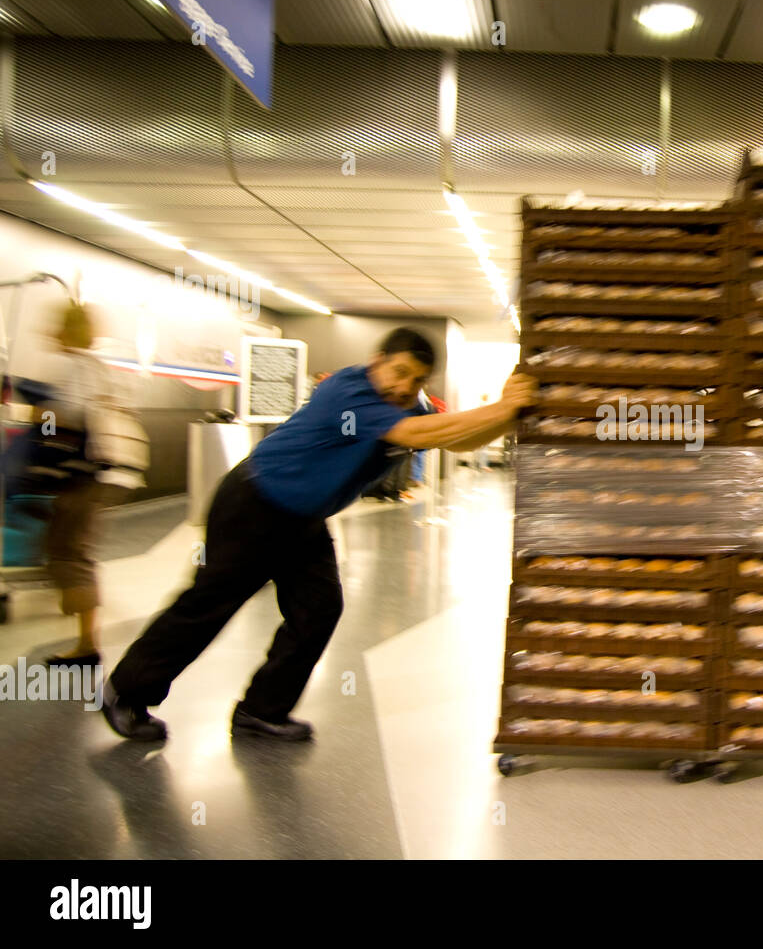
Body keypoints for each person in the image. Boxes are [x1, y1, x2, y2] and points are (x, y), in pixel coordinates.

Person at [101, 327, 537, 742]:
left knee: (318, 611)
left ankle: (261, 711)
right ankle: (126, 691)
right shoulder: (348, 391)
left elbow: (455, 441)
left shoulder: (408, 404)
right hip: (254, 503)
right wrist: (502, 408)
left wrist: (509, 414)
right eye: (399, 372)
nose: (406, 387)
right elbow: (414, 434)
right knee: (207, 605)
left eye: (418, 380)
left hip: (304, 519)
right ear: (377, 361)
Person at [18, 302, 125, 667]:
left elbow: (63, 420)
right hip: (94, 474)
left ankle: (86, 645)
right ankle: (83, 634)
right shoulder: (96, 366)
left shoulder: (68, 366)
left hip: (75, 478)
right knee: (71, 551)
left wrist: (38, 420)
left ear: (65, 330)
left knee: (69, 555)